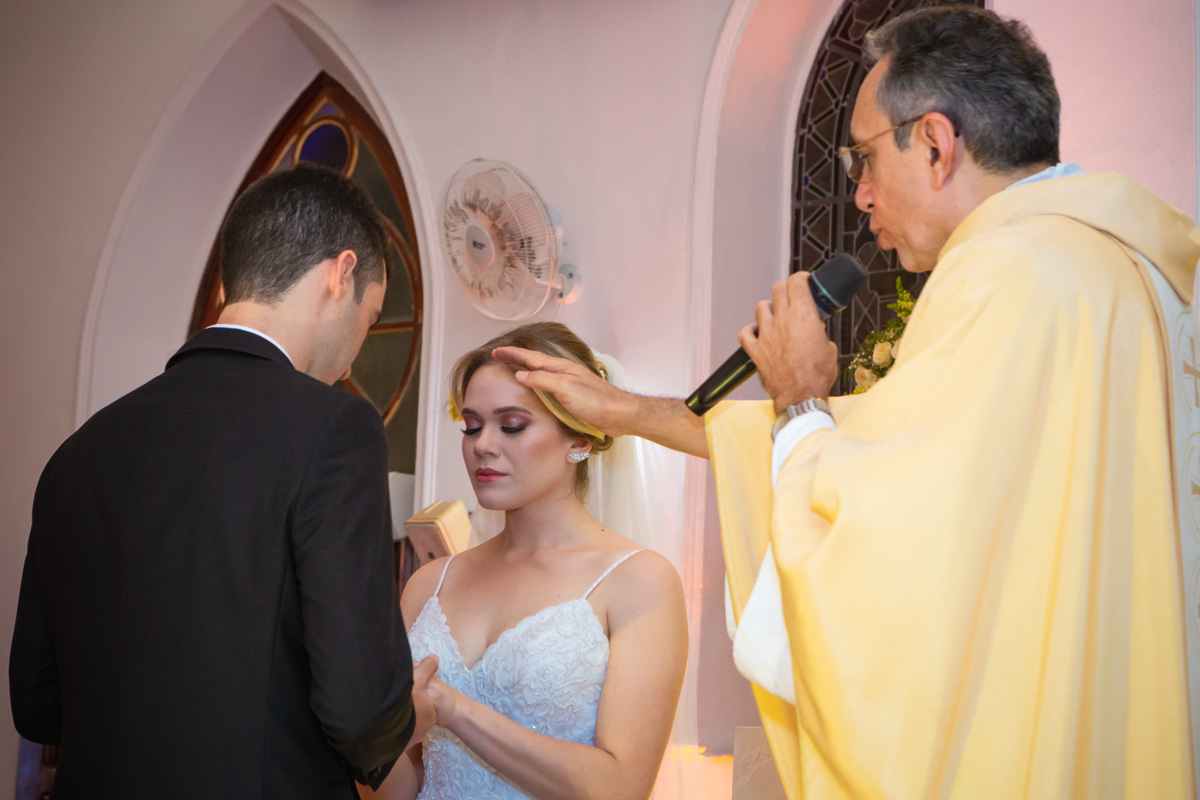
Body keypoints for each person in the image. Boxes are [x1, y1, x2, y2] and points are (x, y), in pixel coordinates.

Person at [494, 6, 1200, 798]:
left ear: (934, 143)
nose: (859, 195)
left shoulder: (1006, 276)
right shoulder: (1113, 269)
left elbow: (885, 566)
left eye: (864, 159)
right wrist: (626, 410)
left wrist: (800, 395)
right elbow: (884, 448)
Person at [9, 163, 436, 799]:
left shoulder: (78, 453)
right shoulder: (335, 429)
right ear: (339, 274)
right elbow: (360, 713)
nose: (353, 356)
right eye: (369, 320)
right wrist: (410, 719)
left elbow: (39, 704)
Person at [374, 322, 687, 800]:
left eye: (512, 425)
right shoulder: (428, 584)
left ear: (580, 440)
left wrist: (456, 711)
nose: (483, 444)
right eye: (472, 426)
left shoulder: (639, 581)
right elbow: (403, 788)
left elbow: (622, 788)